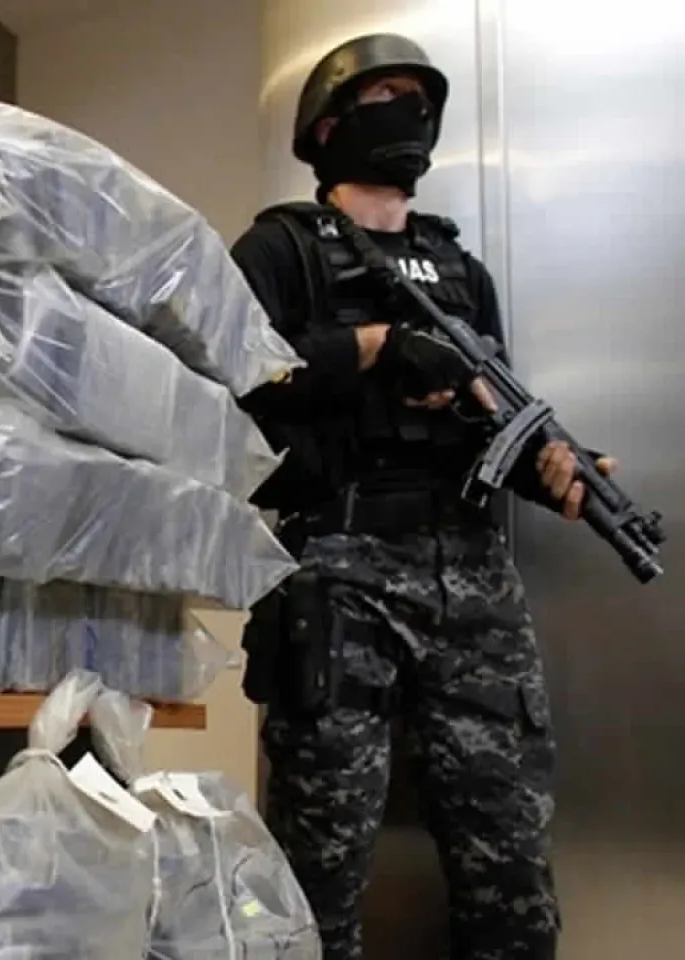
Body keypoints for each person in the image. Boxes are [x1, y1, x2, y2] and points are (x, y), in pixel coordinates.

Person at [230, 33, 617, 960]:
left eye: (419, 96)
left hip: (472, 573)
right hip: (338, 566)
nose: (409, 113)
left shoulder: (461, 271)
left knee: (510, 865)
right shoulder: (281, 247)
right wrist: (373, 349)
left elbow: (494, 419)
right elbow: (230, 371)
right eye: (385, 96)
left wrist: (552, 468)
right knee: (318, 866)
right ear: (328, 126)